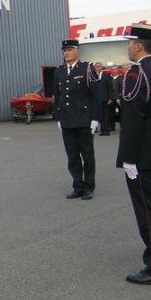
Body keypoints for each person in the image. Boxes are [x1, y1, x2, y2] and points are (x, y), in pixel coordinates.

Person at [117, 24, 151, 285]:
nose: (128, 47)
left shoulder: (136, 75)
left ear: (138, 46)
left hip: (144, 156)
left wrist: (128, 158)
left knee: (149, 212)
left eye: (130, 43)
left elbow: (133, 121)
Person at [52, 39, 101, 200]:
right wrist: (58, 117)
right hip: (67, 120)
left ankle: (89, 187)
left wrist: (95, 119)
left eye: (69, 49)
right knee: (72, 156)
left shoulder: (87, 69)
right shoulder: (59, 72)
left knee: (87, 155)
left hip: (84, 120)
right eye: (64, 50)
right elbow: (57, 96)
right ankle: (78, 185)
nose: (66, 53)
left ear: (77, 51)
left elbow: (96, 96)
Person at [93, 62, 112, 136]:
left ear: (102, 67)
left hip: (105, 98)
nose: (98, 68)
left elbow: (110, 88)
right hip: (97, 99)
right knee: (100, 115)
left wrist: (110, 98)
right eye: (96, 67)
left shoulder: (106, 76)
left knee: (106, 115)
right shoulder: (93, 77)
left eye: (99, 66)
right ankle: (102, 130)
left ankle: (107, 130)